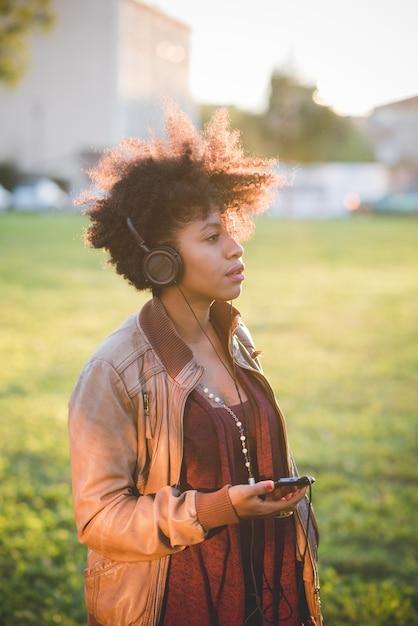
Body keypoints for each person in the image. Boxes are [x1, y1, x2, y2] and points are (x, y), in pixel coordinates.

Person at [68, 102, 322, 626]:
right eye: (211, 238)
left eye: (230, 231)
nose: (236, 249)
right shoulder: (113, 372)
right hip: (172, 604)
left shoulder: (235, 334)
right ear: (161, 260)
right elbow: (99, 519)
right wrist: (219, 507)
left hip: (263, 595)